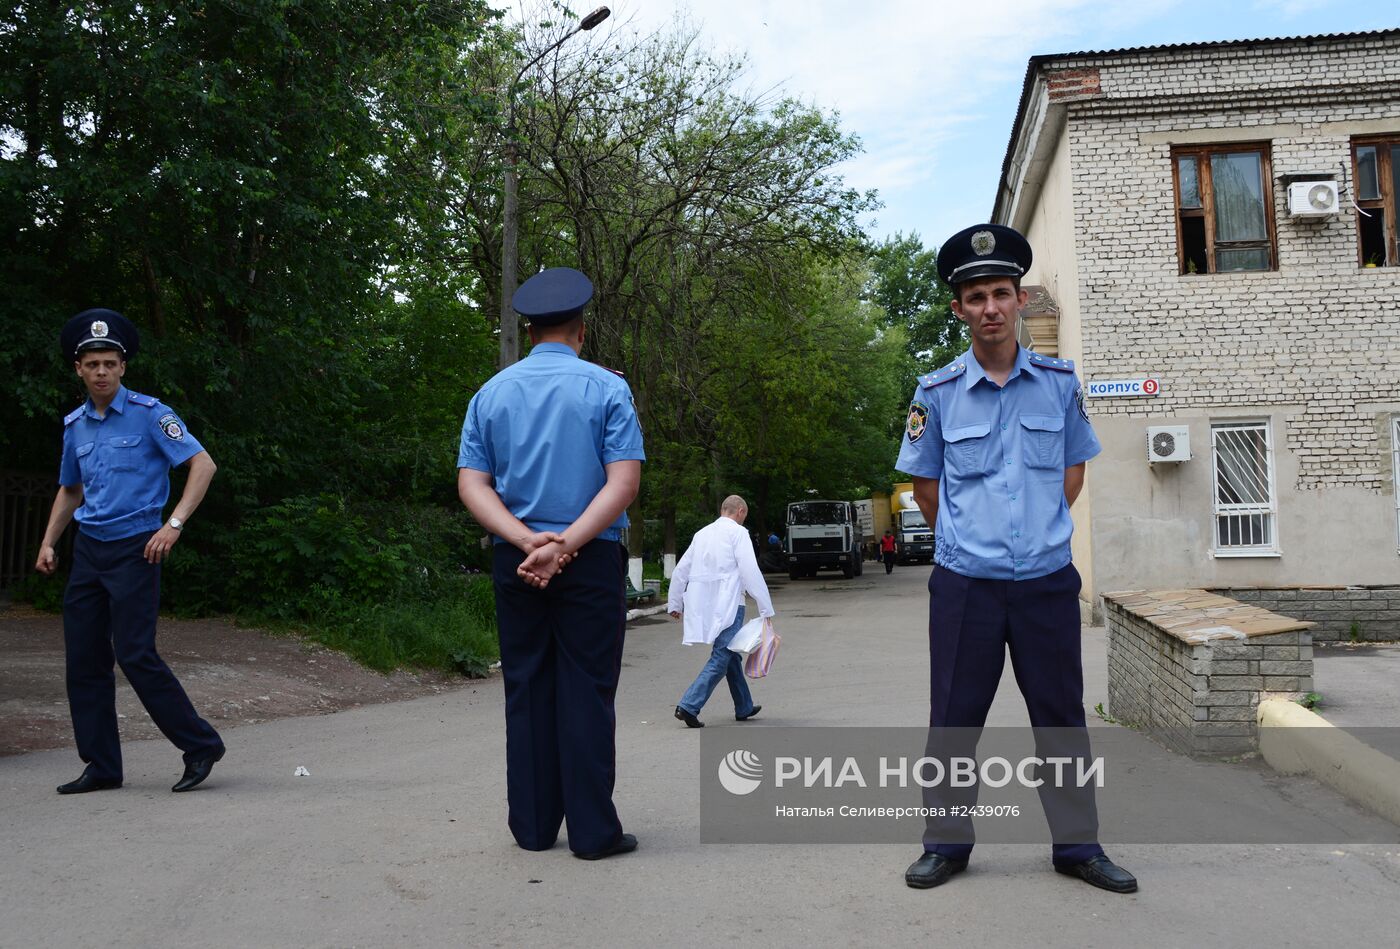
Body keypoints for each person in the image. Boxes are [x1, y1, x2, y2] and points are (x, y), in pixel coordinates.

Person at [895, 225, 1137, 894]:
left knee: (1061, 717)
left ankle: (1078, 845)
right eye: (976, 296)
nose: (991, 307)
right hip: (966, 584)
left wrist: (1034, 534)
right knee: (954, 715)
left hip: (1045, 582)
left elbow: (1070, 470)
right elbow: (925, 485)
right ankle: (945, 843)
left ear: (1020, 297)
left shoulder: (1058, 382)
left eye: (1002, 292)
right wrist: (964, 547)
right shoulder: (937, 392)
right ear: (960, 309)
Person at [457, 267, 645, 861]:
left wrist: (524, 541)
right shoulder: (608, 390)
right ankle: (593, 834)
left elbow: (472, 484)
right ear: (581, 331)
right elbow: (624, 483)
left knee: (527, 686)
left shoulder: (490, 394)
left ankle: (534, 828)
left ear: (531, 329)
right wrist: (565, 546)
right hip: (589, 561)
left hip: (515, 562)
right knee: (587, 689)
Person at [35, 309, 225, 794]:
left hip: (136, 549)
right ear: (79, 369)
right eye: (92, 364)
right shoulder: (75, 425)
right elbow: (70, 490)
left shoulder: (150, 414)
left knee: (136, 654)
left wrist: (174, 524)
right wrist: (49, 542)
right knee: (84, 660)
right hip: (89, 551)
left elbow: (202, 465)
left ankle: (200, 744)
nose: (101, 372)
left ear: (123, 367)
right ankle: (102, 766)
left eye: (110, 363)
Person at [668, 495, 775, 728]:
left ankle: (744, 706)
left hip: (704, 605)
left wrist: (675, 603)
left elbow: (680, 570)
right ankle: (689, 705)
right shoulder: (738, 533)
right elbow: (750, 570)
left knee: (730, 655)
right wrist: (765, 607)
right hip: (729, 604)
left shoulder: (701, 534)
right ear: (740, 512)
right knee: (722, 655)